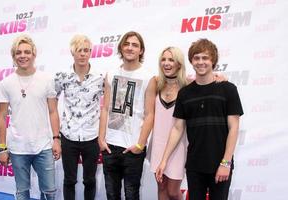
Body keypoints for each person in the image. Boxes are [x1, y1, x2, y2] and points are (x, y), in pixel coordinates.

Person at [156, 38, 243, 200]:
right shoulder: (185, 93)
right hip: (195, 165)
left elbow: (234, 128)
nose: (201, 62)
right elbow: (177, 128)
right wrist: (164, 160)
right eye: (197, 58)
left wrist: (226, 163)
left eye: (205, 58)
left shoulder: (228, 89)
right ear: (191, 61)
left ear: (213, 61)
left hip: (220, 164)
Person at [0, 34, 61, 200]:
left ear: (34, 54)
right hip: (18, 149)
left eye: (27, 52)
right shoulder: (6, 83)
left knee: (50, 193)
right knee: (22, 193)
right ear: (13, 56)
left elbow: (53, 111)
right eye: (18, 52)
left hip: (44, 146)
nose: (23, 56)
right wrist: (2, 148)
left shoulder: (46, 79)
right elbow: (1, 116)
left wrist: (56, 139)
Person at [98, 31, 156, 200]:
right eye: (127, 44)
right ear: (121, 48)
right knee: (111, 195)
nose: (130, 48)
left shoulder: (148, 77)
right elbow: (105, 108)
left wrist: (140, 145)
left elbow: (150, 114)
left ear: (141, 50)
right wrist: (101, 139)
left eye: (135, 45)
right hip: (110, 145)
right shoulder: (111, 74)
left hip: (133, 148)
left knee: (132, 195)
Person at [54, 34, 104, 200]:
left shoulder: (100, 77)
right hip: (69, 136)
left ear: (91, 52)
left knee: (89, 180)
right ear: (72, 52)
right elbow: (51, 101)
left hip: (92, 136)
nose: (82, 54)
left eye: (86, 50)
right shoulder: (62, 76)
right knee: (69, 180)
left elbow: (109, 105)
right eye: (79, 50)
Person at [149, 47, 188, 200]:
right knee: (162, 187)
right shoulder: (156, 83)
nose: (166, 63)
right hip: (158, 144)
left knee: (173, 191)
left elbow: (209, 81)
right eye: (163, 60)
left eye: (171, 60)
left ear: (179, 64)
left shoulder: (188, 86)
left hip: (178, 145)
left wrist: (221, 78)